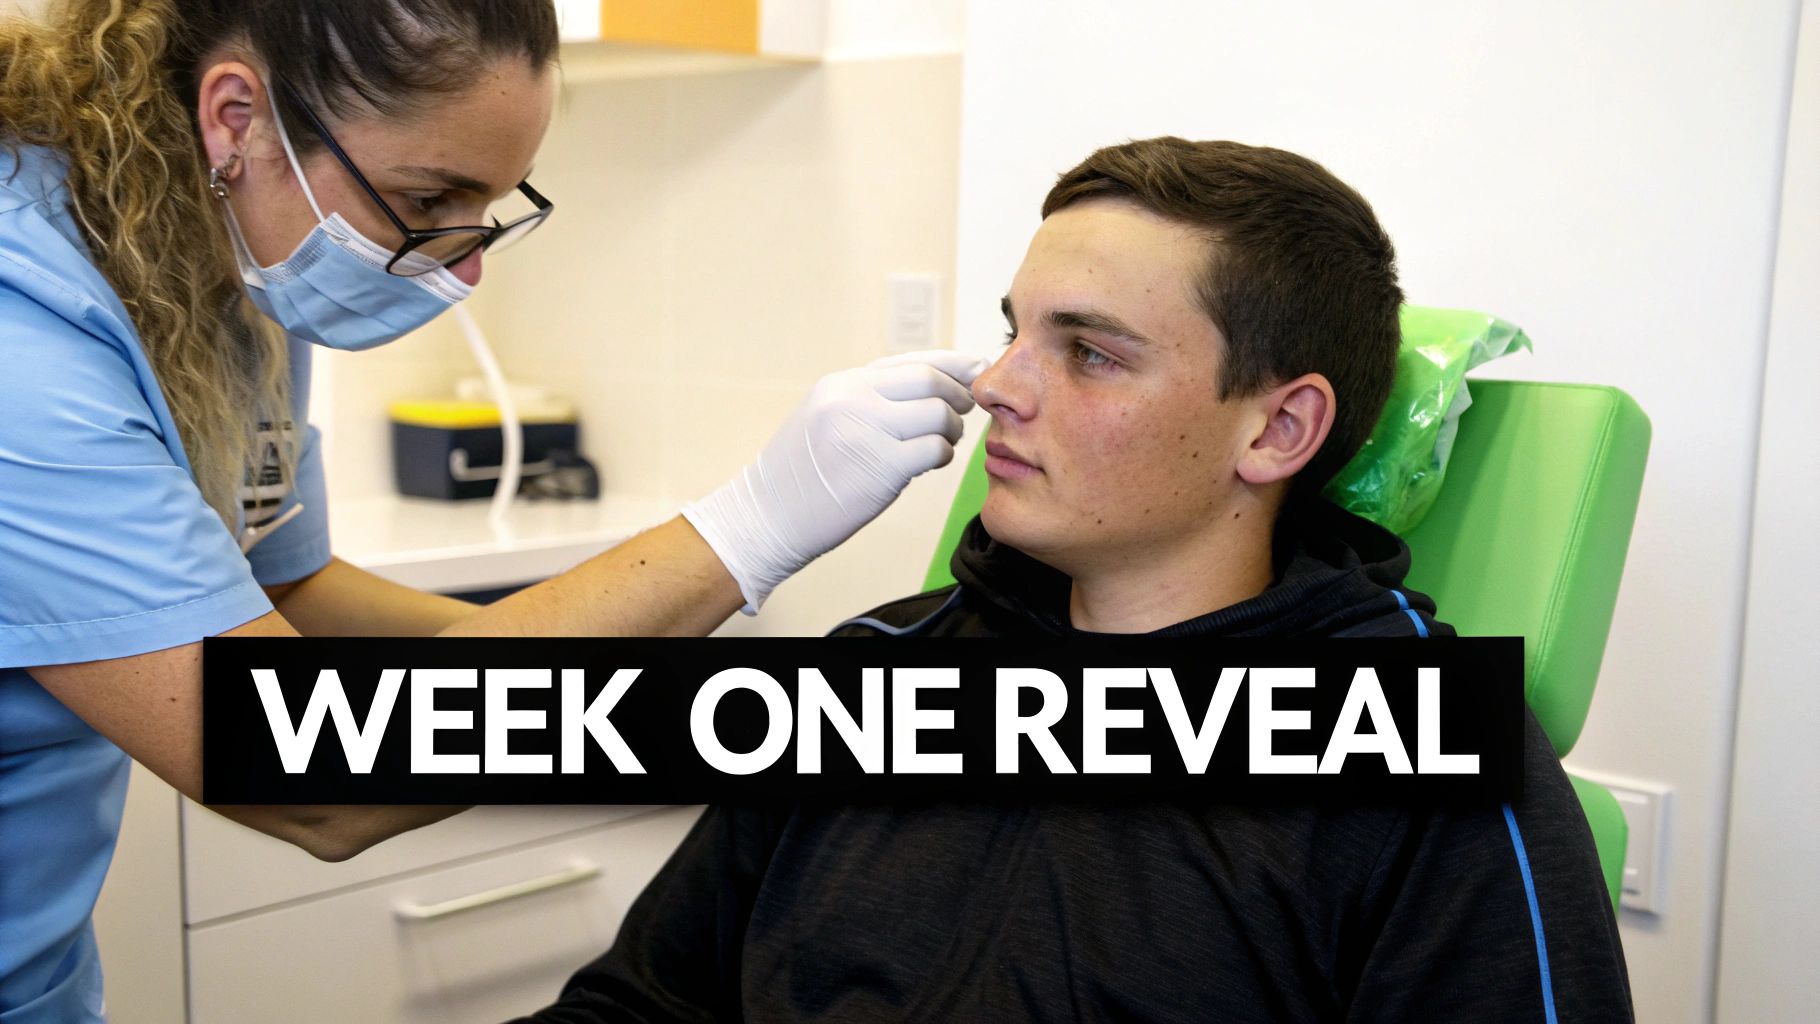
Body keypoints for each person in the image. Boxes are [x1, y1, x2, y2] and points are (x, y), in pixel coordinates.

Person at [0, 1, 980, 1019]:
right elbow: (311, 774)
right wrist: (750, 527)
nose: (463, 268)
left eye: (488, 210)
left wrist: (601, 684)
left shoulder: (224, 263)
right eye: (430, 198)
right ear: (236, 117)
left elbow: (289, 581)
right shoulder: (20, 330)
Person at [514, 138, 1634, 1022]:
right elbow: (640, 1007)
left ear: (1278, 428)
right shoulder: (876, 673)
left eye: (1088, 353)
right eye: (1014, 334)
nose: (998, 385)